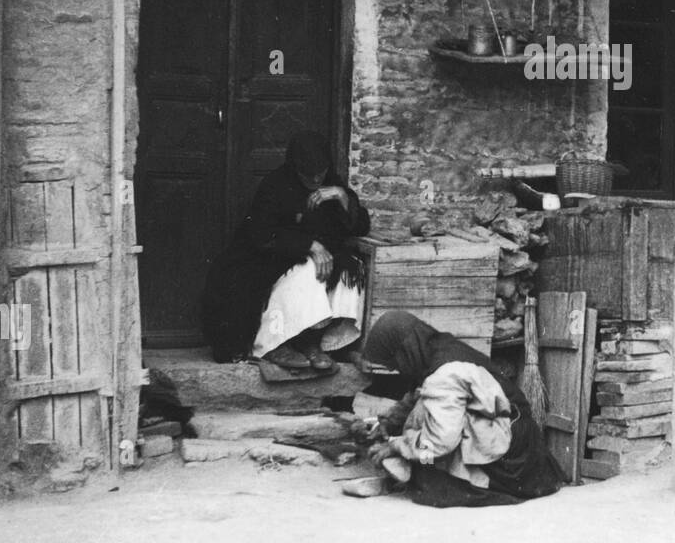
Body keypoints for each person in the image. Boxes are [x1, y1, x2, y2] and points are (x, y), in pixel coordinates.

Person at [356, 310, 563, 507]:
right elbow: (419, 395)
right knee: (422, 422)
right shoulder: (437, 348)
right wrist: (389, 422)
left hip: (512, 453)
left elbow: (440, 441)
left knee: (432, 478)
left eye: (394, 364)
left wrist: (397, 445)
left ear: (404, 352)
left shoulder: (445, 374)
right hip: (517, 436)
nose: (396, 370)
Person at [200, 131, 369, 371]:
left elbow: (360, 226)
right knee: (307, 271)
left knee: (351, 268)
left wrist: (342, 197)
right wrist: (309, 245)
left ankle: (311, 343)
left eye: (320, 173)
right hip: (273, 257)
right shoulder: (276, 185)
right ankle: (276, 343)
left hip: (317, 258)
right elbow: (261, 234)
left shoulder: (331, 183)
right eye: (308, 175)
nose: (315, 179)